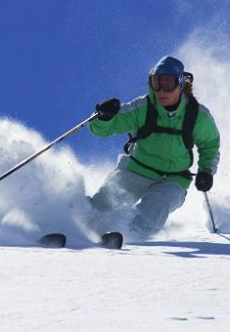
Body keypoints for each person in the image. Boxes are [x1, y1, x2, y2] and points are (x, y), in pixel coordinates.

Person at [87, 55, 221, 239]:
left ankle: (131, 237)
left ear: (181, 83)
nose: (160, 90)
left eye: (167, 83)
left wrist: (206, 171)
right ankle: (75, 227)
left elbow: (210, 145)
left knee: (157, 206)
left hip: (174, 178)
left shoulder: (198, 115)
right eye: (156, 82)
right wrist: (103, 117)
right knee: (105, 204)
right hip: (135, 170)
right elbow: (103, 129)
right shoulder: (143, 107)